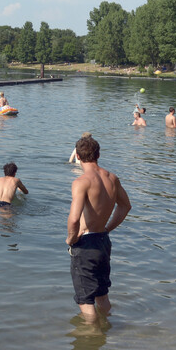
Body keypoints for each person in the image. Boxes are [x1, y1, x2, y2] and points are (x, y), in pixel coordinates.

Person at [66, 135, 131, 320]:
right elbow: (126, 206)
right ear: (98, 154)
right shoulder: (112, 178)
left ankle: (92, 342)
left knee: (85, 301)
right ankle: (107, 328)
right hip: (103, 240)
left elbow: (73, 219)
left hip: (86, 243)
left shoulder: (81, 182)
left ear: (77, 156)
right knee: (102, 295)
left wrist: (71, 239)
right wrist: (107, 228)